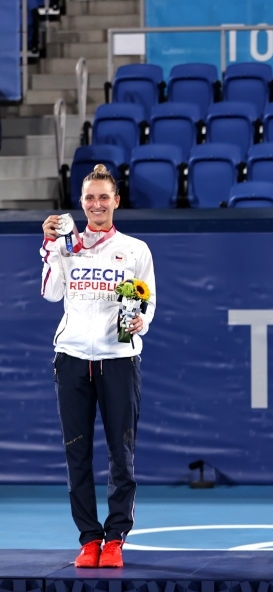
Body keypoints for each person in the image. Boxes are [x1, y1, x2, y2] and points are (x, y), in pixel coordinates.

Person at [39, 164, 156, 568]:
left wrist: (142, 320)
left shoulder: (135, 249)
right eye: (90, 198)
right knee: (77, 454)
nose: (97, 204)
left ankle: (116, 538)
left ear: (116, 201)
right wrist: (50, 246)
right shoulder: (67, 246)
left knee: (120, 454)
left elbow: (146, 300)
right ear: (82, 203)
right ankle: (89, 539)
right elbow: (51, 293)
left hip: (119, 360)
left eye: (104, 197)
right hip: (72, 358)